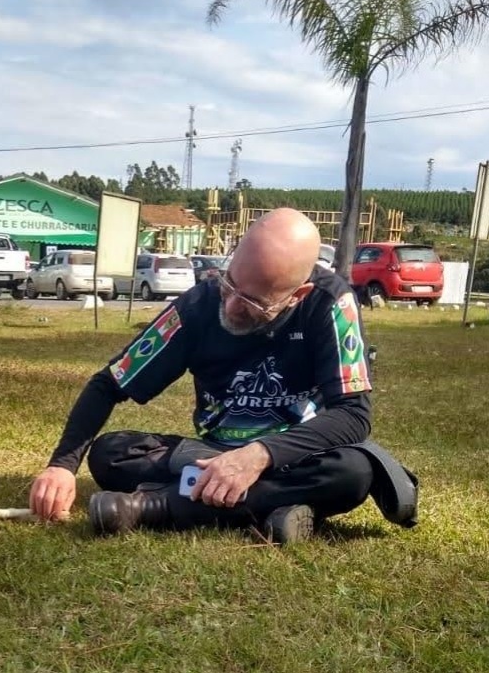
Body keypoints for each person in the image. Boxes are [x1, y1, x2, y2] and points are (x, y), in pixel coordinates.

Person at [29, 208, 392, 544]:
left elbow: (352, 414)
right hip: (208, 454)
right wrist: (61, 466)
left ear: (298, 295)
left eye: (253, 302)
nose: (231, 306)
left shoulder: (332, 303)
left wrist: (258, 456)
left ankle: (156, 507)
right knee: (111, 454)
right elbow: (109, 384)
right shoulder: (197, 306)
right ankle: (276, 509)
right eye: (229, 283)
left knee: (354, 472)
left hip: (292, 456)